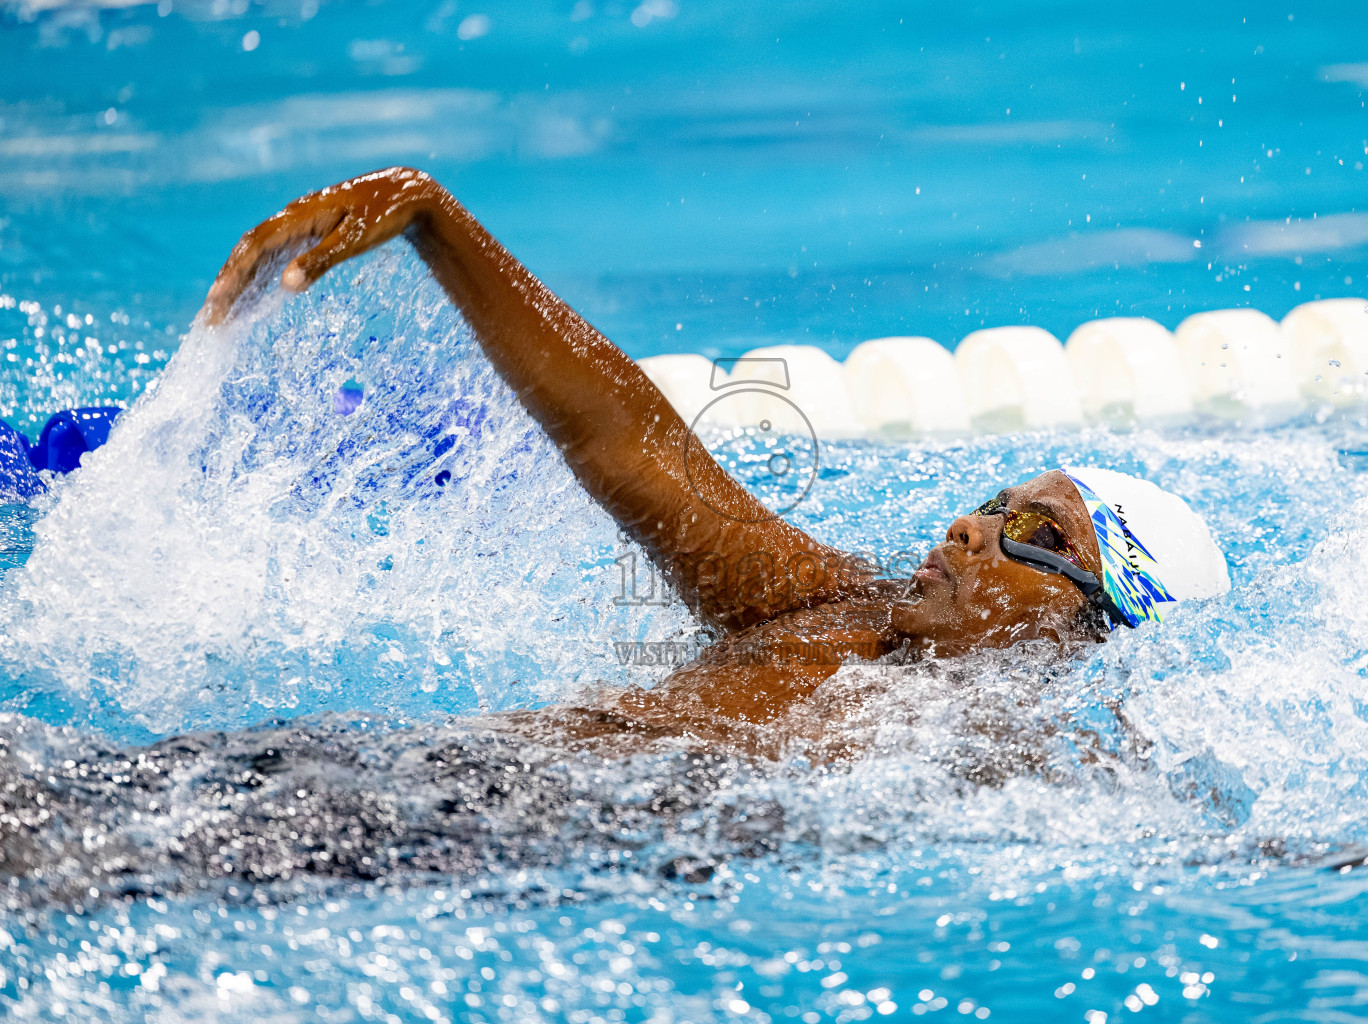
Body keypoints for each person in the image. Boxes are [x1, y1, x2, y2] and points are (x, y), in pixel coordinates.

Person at [203, 167, 1229, 758]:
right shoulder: (833, 605)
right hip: (417, 772)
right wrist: (437, 219)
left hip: (504, 850)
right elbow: (637, 449)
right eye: (989, 502)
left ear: (1090, 624)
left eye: (1035, 535)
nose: (968, 526)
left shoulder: (1008, 754)